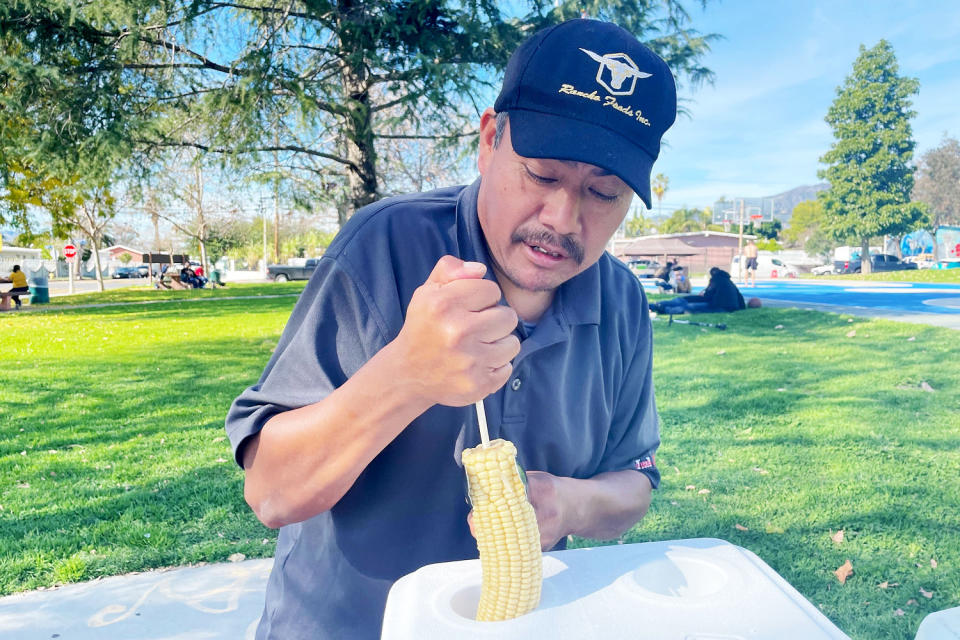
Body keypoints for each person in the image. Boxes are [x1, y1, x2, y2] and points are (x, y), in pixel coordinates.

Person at [225, 19, 676, 640]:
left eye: (604, 193)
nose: (563, 218)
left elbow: (634, 482)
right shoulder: (384, 246)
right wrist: (407, 373)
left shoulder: (621, 301)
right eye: (543, 175)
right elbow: (271, 493)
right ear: (490, 140)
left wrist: (569, 505)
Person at [649, 267, 745, 315]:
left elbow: (708, 296)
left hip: (718, 306)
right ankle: (659, 307)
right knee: (684, 304)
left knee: (688, 306)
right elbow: (740, 298)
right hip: (722, 306)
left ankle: (659, 307)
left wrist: (704, 295)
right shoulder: (730, 282)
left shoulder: (716, 280)